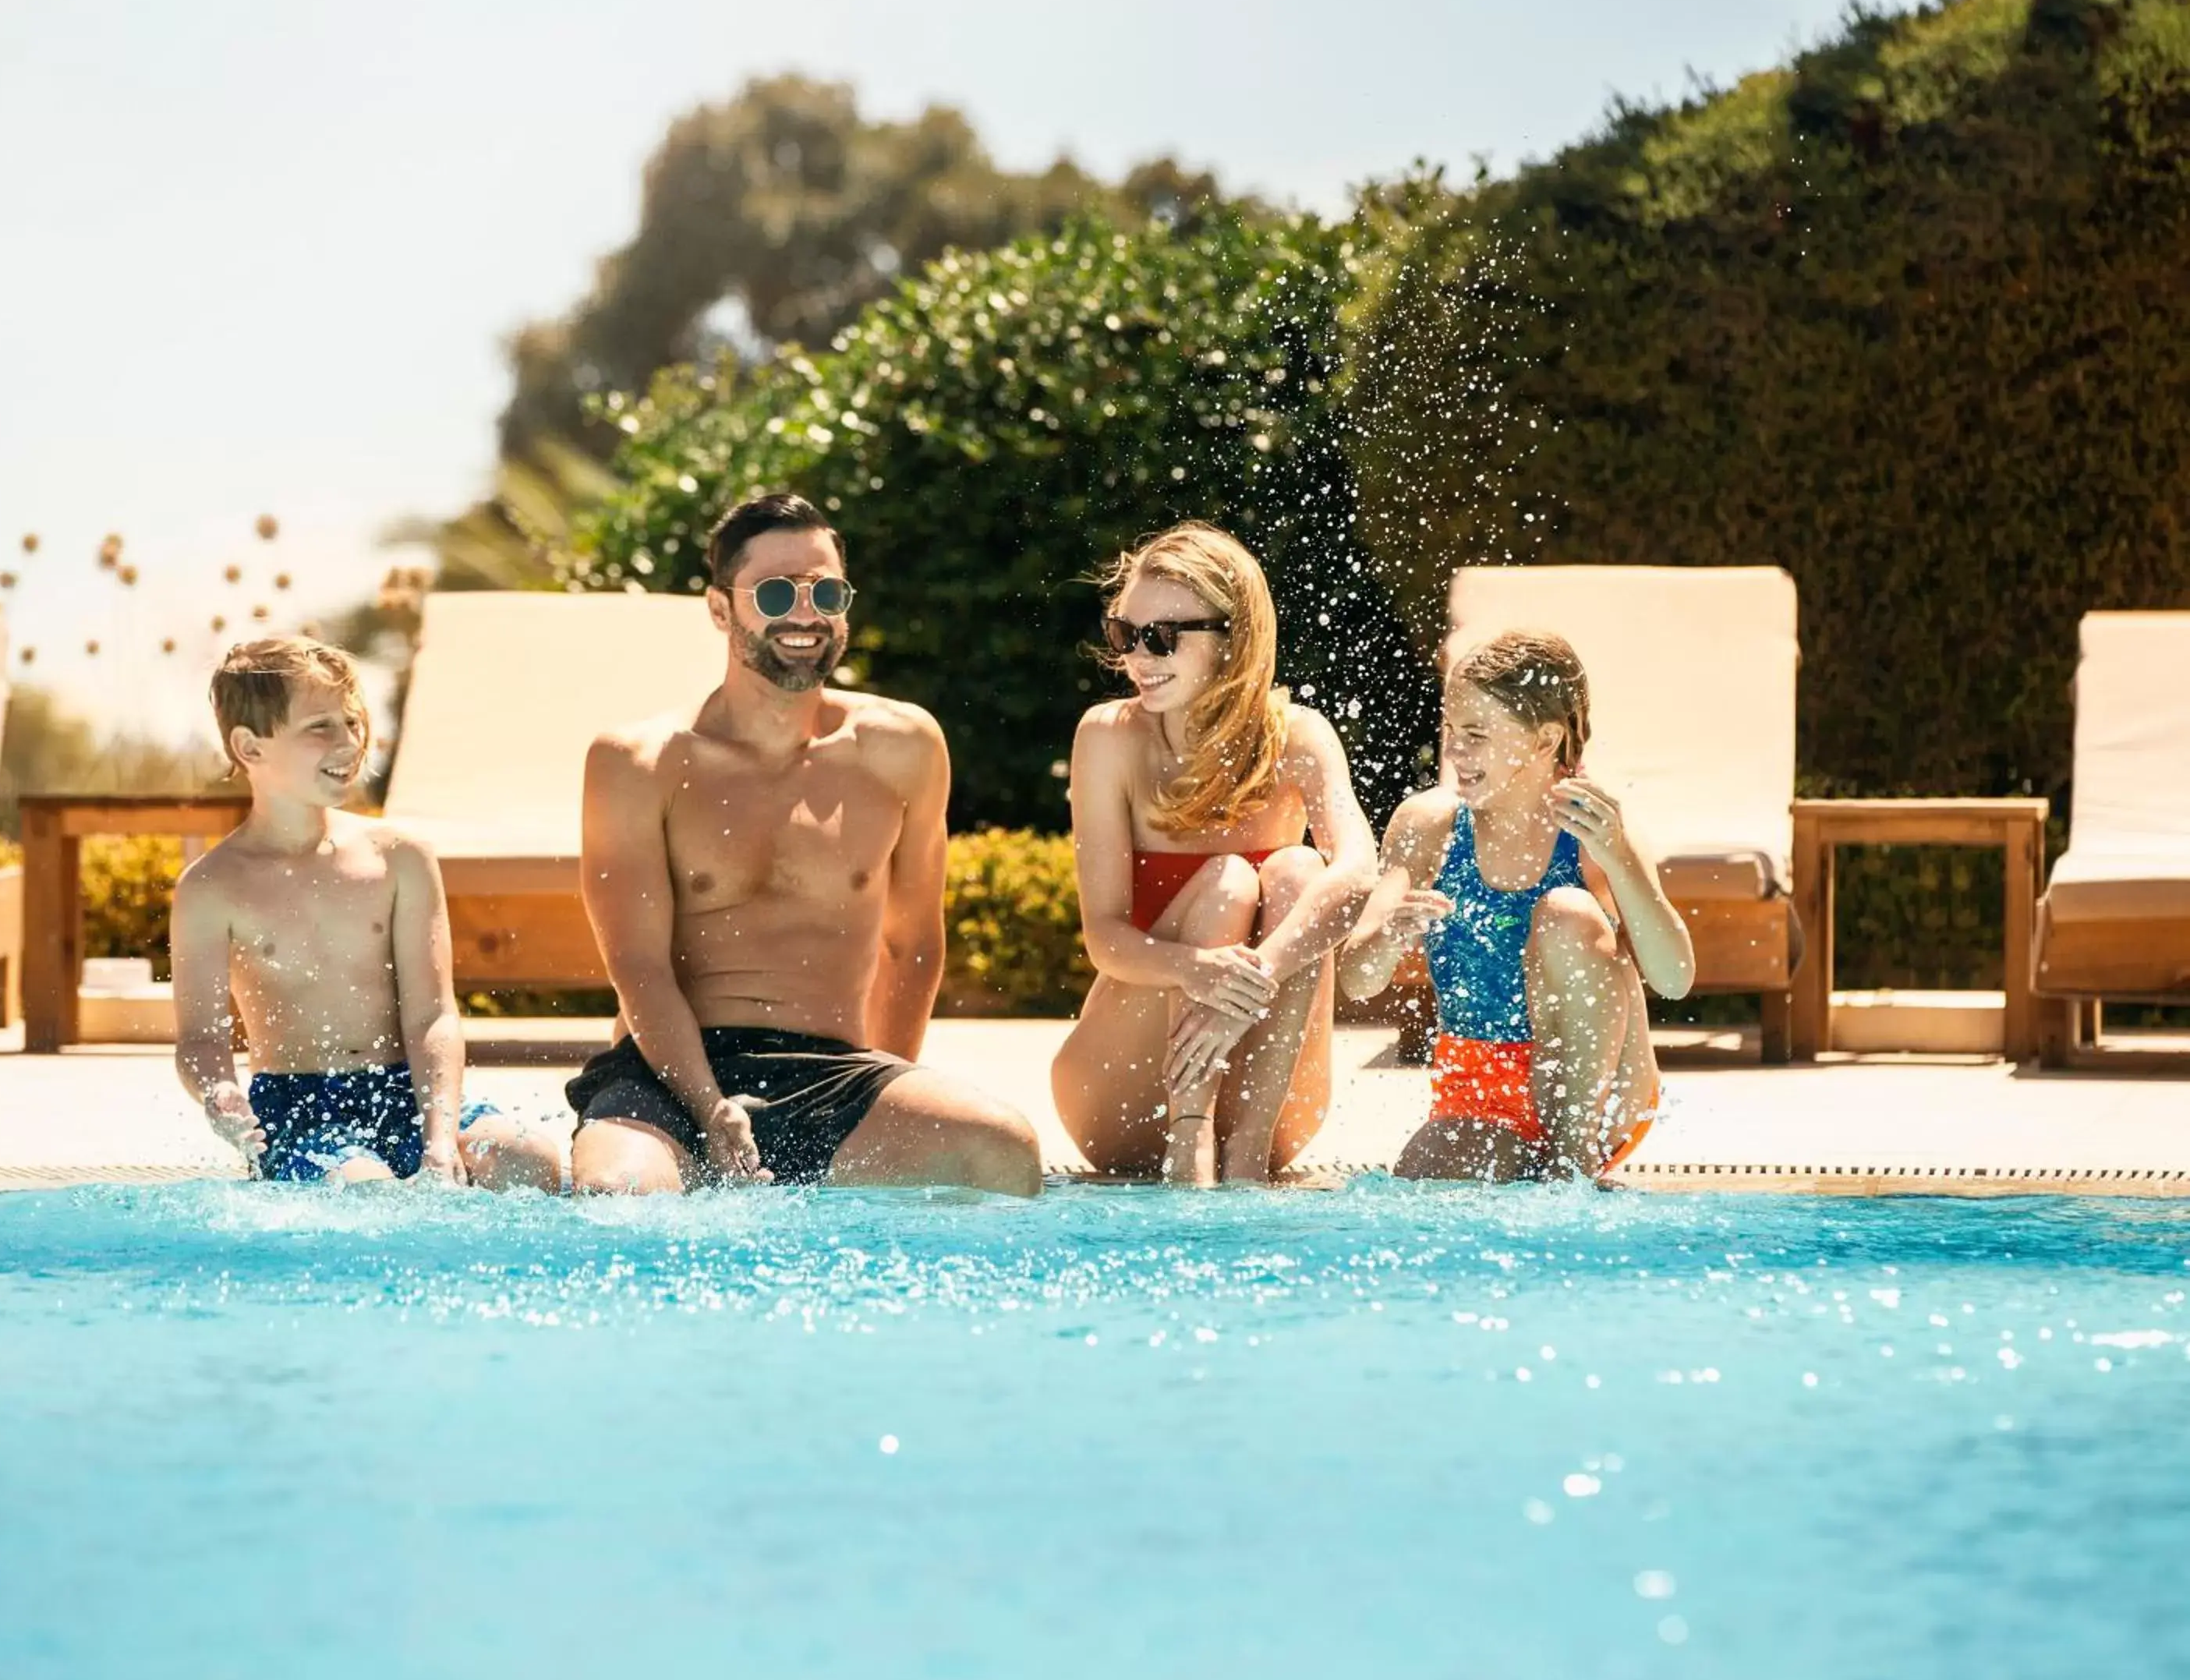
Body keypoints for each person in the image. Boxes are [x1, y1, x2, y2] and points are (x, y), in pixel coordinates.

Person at [565, 493, 1042, 1196]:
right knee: (623, 1203)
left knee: (1001, 1153)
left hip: (831, 1070)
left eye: (826, 591)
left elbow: (913, 946)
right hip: (668, 1076)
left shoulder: (902, 748)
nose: (805, 613)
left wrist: (886, 1083)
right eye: (777, 592)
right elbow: (638, 967)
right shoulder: (639, 763)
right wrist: (710, 1106)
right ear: (720, 609)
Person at [1050, 522, 1379, 1186]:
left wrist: (1255, 972)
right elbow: (1106, 940)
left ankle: (1244, 1149)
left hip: (1274, 1110)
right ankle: (1190, 1128)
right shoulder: (1110, 738)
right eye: (1126, 635)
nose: (1139, 658)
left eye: (1164, 637)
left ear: (1234, 639)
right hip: (1123, 1096)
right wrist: (1198, 969)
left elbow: (1358, 872)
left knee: (1299, 870)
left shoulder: (1299, 737)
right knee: (1228, 881)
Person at [172, 638, 556, 1187]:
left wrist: (441, 1137)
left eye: (352, 722)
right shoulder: (212, 888)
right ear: (251, 748)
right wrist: (219, 1091)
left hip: (407, 1090)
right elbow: (200, 1039)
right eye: (320, 727)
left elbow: (432, 1016)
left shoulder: (397, 858)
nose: (350, 742)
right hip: (298, 1107)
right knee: (363, 1192)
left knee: (527, 1161)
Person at [1339, 628, 1695, 1182]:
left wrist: (1621, 859)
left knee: (1568, 912)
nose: (1454, 751)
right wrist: (1389, 935)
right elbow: (1357, 978)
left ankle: (1572, 1163)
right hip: (1480, 1089)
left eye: (1476, 734)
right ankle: (1543, 1172)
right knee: (1422, 1177)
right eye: (1451, 730)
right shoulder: (1428, 827)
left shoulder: (1592, 832)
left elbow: (1673, 978)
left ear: (1543, 740)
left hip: (1600, 1092)